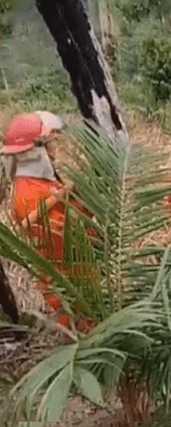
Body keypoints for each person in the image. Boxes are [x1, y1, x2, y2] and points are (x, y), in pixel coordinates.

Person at [2, 112, 92, 331]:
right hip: (68, 277)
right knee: (83, 333)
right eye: (53, 142)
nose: (57, 148)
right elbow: (65, 236)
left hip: (71, 275)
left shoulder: (40, 184)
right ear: (35, 150)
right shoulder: (32, 193)